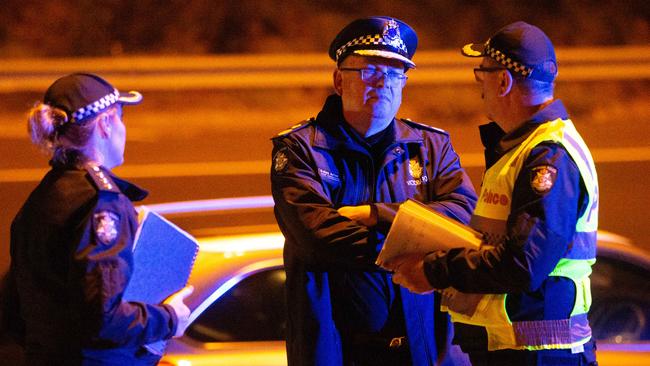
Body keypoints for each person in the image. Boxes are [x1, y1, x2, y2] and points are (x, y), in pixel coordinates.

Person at [271, 16, 477, 366]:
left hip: (423, 348)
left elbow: (462, 211)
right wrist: (417, 246)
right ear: (339, 80)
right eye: (369, 71)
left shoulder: (430, 146)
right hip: (337, 350)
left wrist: (376, 215)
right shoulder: (300, 149)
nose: (384, 83)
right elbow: (316, 235)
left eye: (396, 73)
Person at [391, 21, 599, 365]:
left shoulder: (548, 157)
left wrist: (434, 270)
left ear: (503, 81)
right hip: (517, 351)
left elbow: (523, 263)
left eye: (481, 74)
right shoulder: (524, 150)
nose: (480, 87)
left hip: (537, 355)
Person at [9, 73, 193, 365]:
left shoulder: (39, 200)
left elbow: (13, 309)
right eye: (120, 117)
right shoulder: (101, 204)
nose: (123, 128)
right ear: (105, 124)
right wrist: (170, 318)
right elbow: (103, 317)